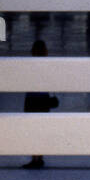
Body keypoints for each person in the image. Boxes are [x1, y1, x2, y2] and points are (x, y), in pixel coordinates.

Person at [21, 38, 58, 168]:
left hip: (32, 99)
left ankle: (35, 158)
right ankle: (39, 157)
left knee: (32, 129)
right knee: (41, 128)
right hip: (44, 99)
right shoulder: (48, 65)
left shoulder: (30, 65)